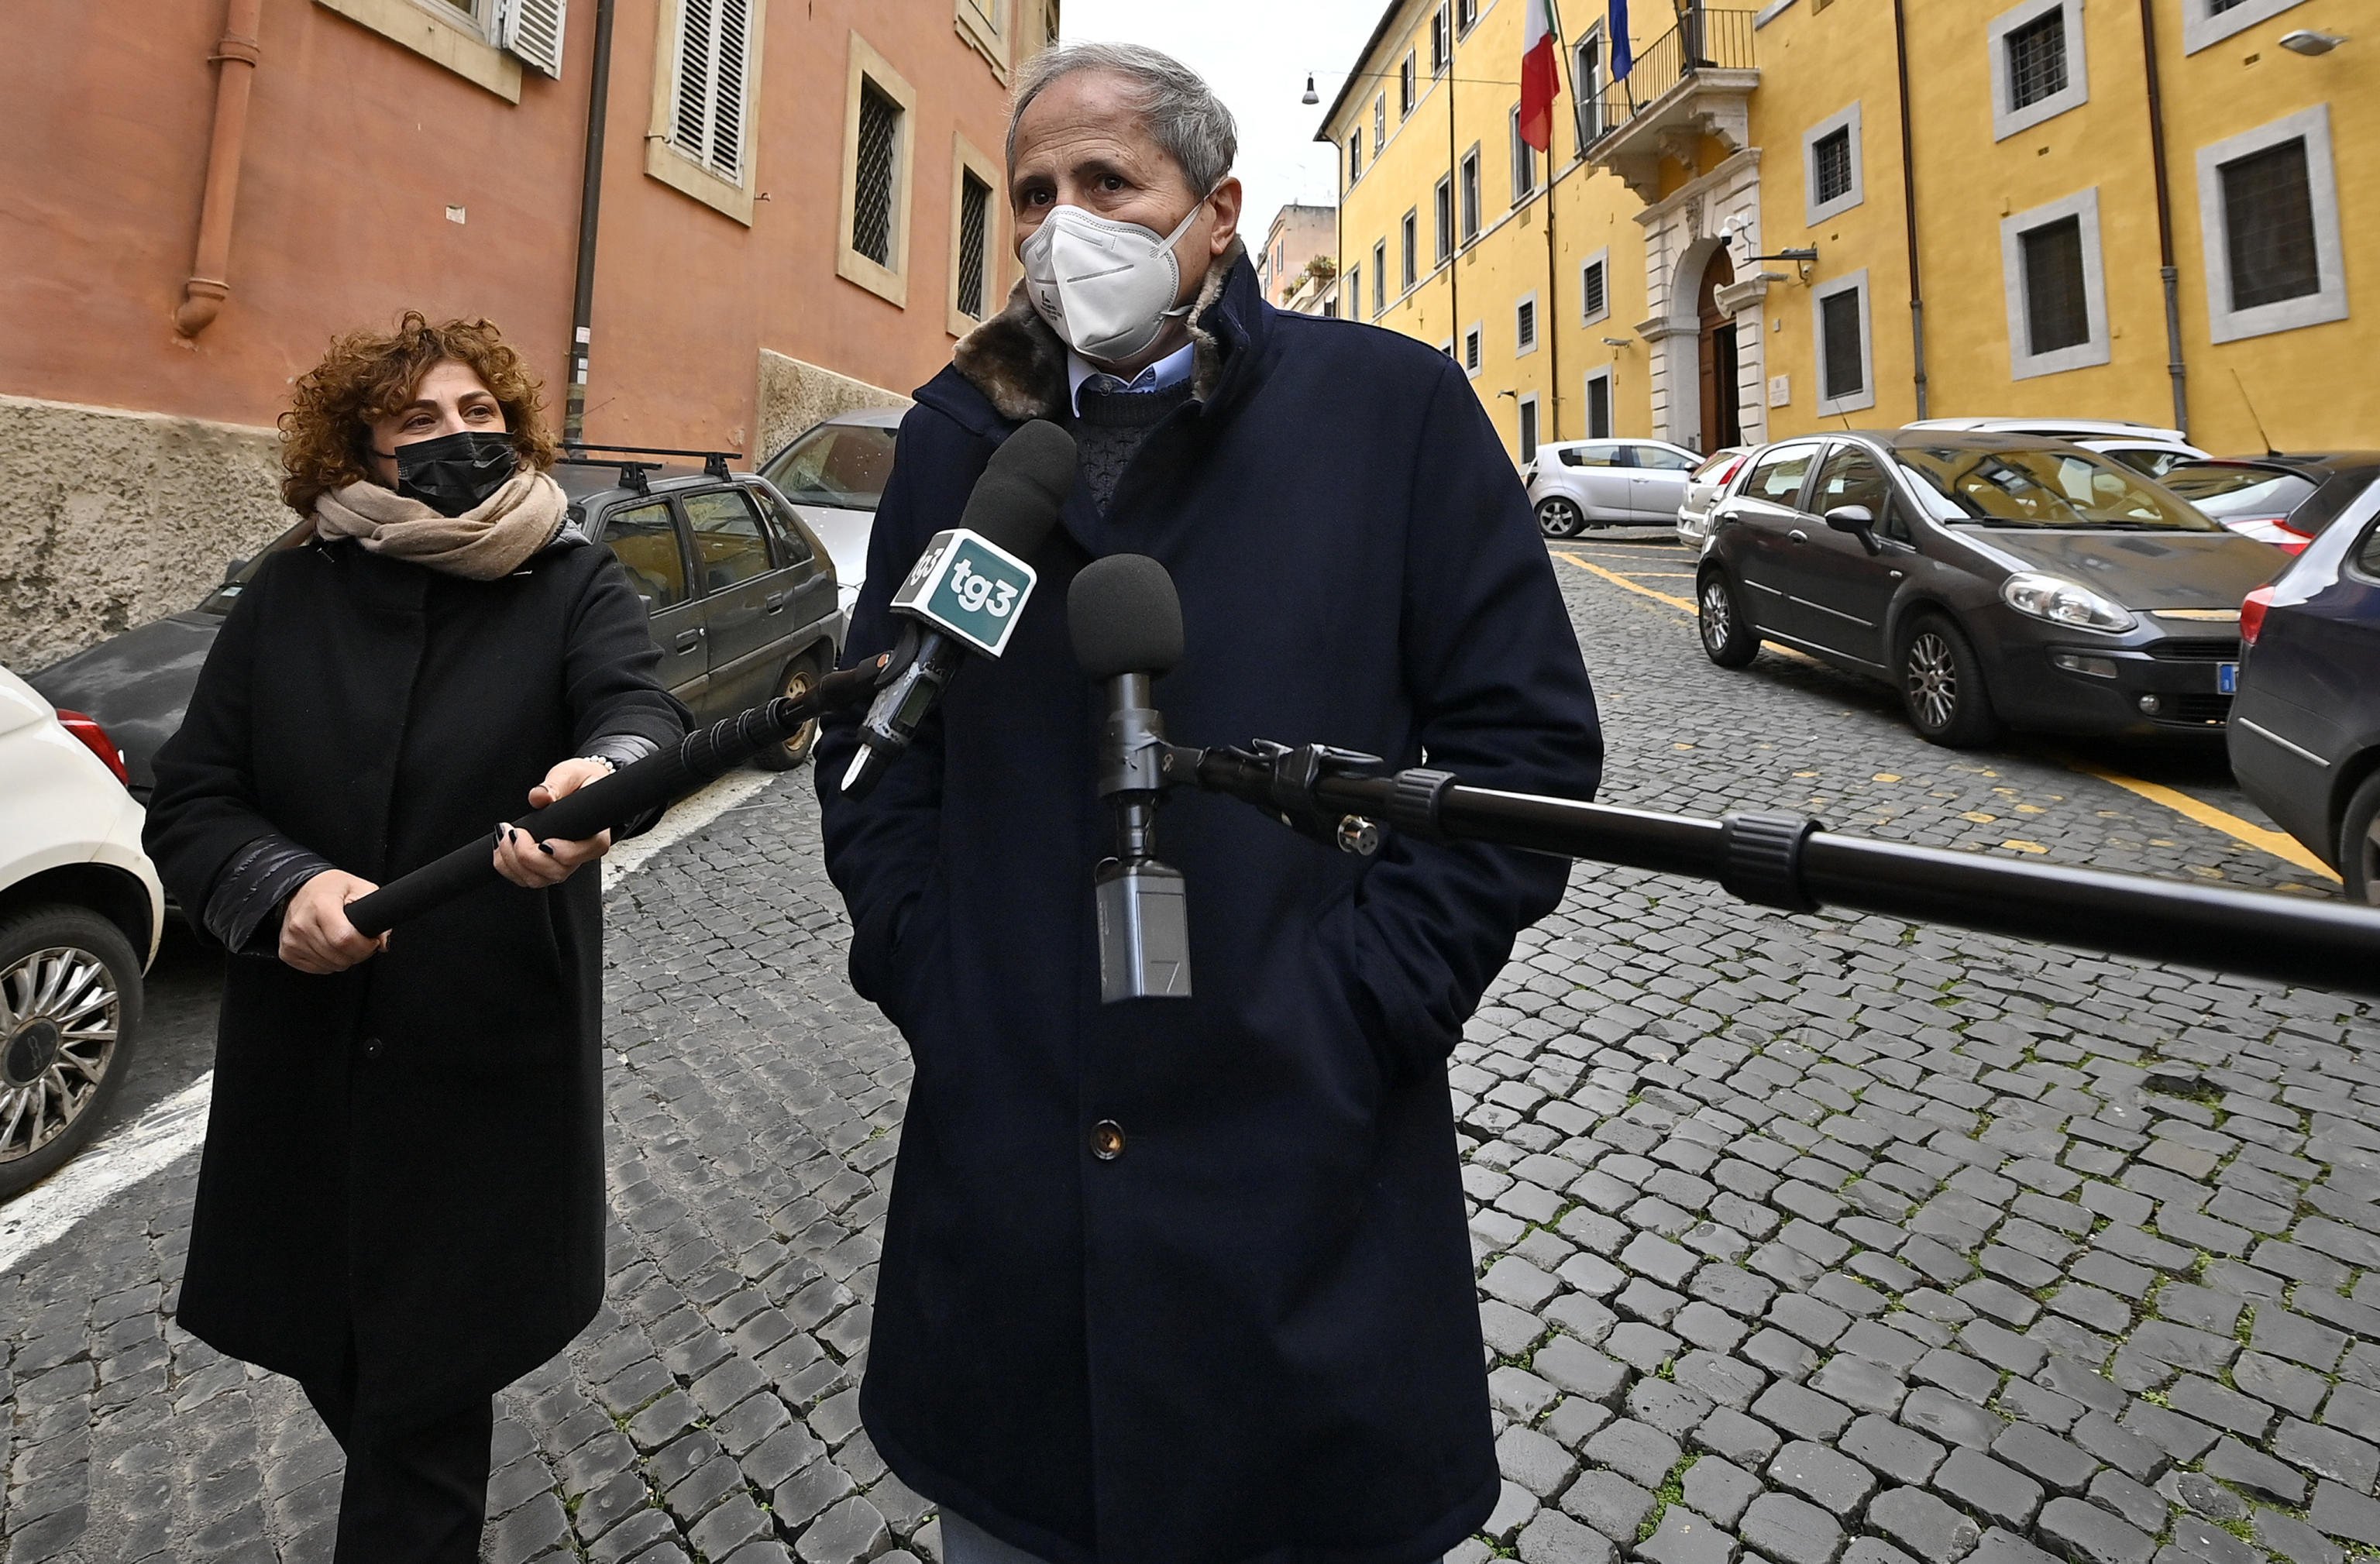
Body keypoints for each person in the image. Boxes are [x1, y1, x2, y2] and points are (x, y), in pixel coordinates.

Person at [815, 43, 1604, 1564]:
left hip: (1306, 1211)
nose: (1062, 227)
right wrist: (935, 968)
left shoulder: (1395, 414)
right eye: (1032, 194)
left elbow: (1523, 751)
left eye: (1109, 183)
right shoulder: (959, 434)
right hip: (1013, 1216)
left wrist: (1362, 1002)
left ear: (1218, 211)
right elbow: (876, 749)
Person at [143, 314, 686, 1563]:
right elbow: (195, 799)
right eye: (420, 421)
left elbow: (638, 714)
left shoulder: (572, 578)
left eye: (481, 416)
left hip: (486, 1060)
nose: (459, 439)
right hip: (311, 1062)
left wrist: (598, 780)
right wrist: (284, 888)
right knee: (348, 1360)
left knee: (424, 1406)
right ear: (363, 450)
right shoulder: (290, 591)